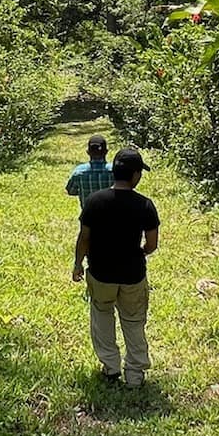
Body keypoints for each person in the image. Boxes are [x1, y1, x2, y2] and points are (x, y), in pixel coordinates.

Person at [72, 146, 159, 386]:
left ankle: (110, 367)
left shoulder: (94, 201)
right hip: (133, 274)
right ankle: (135, 374)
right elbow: (151, 245)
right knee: (133, 321)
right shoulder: (145, 205)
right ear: (135, 175)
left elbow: (84, 238)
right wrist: (139, 252)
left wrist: (78, 264)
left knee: (102, 316)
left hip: (101, 273)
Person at [65, 133, 114, 203]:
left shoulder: (79, 172)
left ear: (88, 152)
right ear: (106, 152)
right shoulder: (115, 171)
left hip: (88, 213)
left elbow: (71, 191)